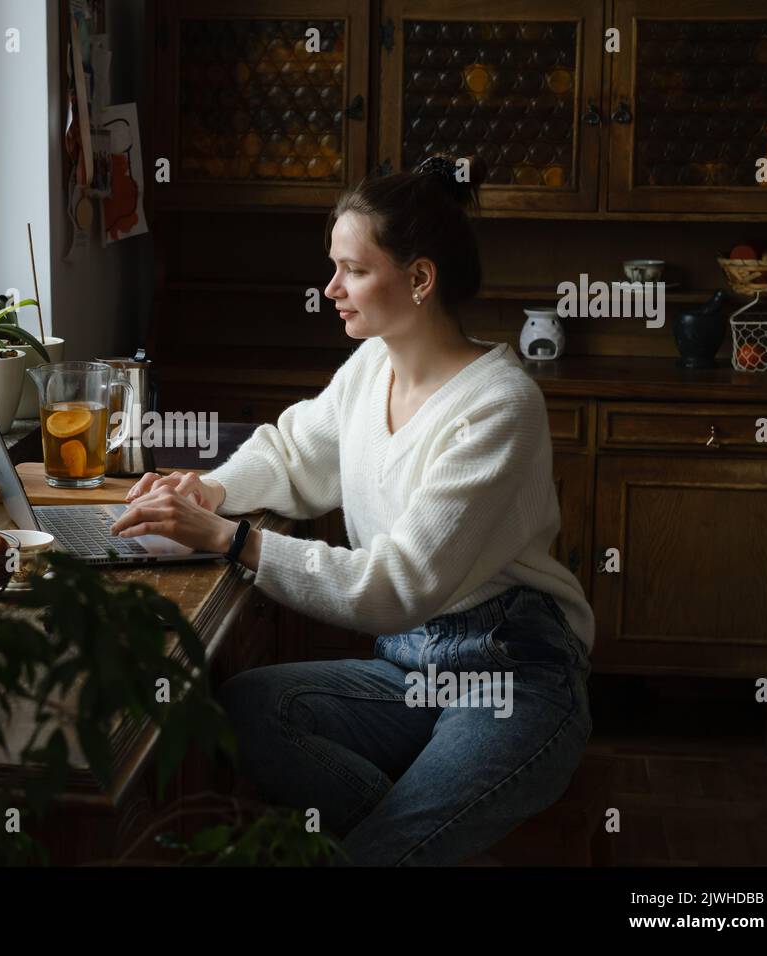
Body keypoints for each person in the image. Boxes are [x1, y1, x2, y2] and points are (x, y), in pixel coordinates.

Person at [107, 154, 595, 866]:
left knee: (379, 851)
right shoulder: (374, 366)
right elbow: (292, 452)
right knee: (245, 708)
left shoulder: (499, 406)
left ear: (421, 279)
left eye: (353, 270)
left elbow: (398, 586)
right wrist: (209, 491)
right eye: (333, 267)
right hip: (408, 668)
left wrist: (234, 539)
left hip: (512, 676)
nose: (331, 288)